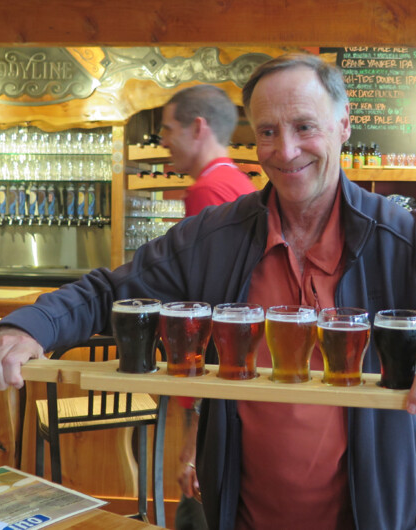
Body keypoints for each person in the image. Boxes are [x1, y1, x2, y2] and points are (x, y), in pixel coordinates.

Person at [0, 53, 416, 530]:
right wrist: (28, 327)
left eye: (304, 127)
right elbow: (108, 292)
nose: (284, 152)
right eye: (267, 132)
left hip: (371, 516)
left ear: (343, 126)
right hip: (239, 512)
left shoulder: (401, 237)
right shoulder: (215, 236)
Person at [159, 83, 255, 530]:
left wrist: (191, 445)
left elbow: (213, 323)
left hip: (214, 388)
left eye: (167, 128)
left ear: (198, 128)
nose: (162, 139)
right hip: (233, 388)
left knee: (197, 509)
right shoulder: (238, 182)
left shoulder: (208, 192)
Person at [160, 84, 257, 218]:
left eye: (169, 130)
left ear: (197, 129)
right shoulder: (235, 181)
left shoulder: (208, 191)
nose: (163, 143)